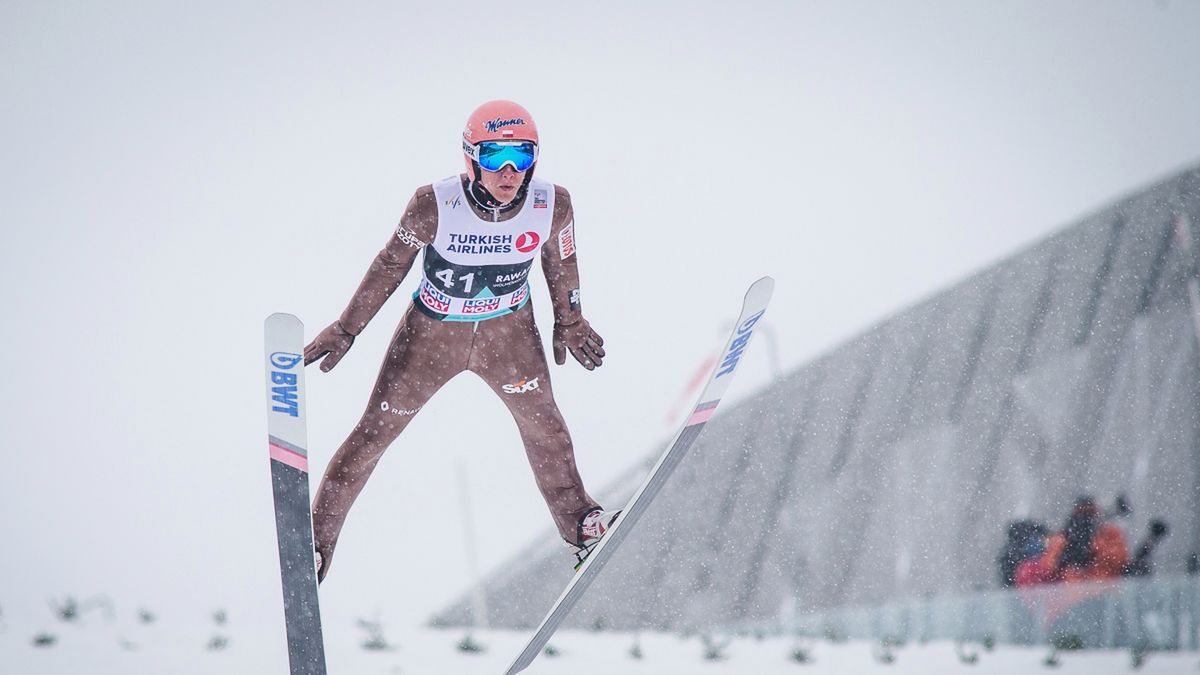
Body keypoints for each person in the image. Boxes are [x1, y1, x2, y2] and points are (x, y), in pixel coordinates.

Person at [303, 100, 618, 581]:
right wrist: (347, 328)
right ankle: (316, 544)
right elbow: (391, 264)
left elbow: (562, 263)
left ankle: (581, 524)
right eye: (494, 156)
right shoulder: (434, 203)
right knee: (374, 433)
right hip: (430, 341)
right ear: (470, 158)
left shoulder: (553, 204)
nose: (509, 170)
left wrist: (570, 320)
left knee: (545, 428)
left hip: (510, 337)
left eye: (523, 156)